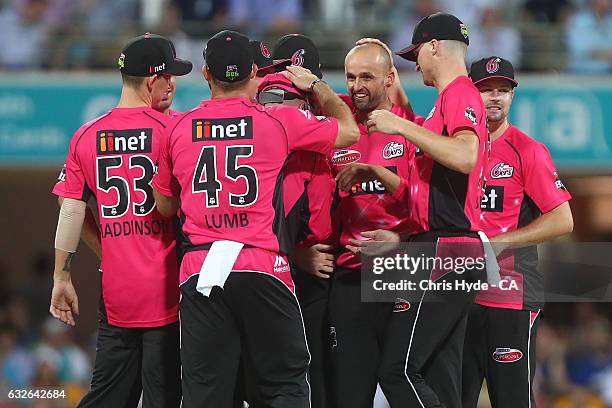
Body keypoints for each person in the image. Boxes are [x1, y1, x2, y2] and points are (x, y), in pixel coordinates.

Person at [152, 30, 359, 408]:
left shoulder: (178, 128)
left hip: (200, 268)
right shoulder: (277, 120)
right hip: (261, 263)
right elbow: (348, 130)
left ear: (205, 74)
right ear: (253, 72)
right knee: (284, 386)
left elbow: (164, 205)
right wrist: (317, 86)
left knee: (204, 393)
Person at [50, 33, 192, 408]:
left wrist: (62, 277)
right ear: (151, 81)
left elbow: (71, 211)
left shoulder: (86, 136)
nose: (173, 84)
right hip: (170, 296)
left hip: (118, 298)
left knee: (108, 399)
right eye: (169, 76)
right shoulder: (175, 129)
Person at [357, 13, 490, 408]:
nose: (415, 64)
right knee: (438, 375)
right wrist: (402, 236)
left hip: (447, 250)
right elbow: (433, 186)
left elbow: (466, 156)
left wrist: (401, 128)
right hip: (447, 246)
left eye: (417, 53)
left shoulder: (461, 93)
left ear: (434, 46)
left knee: (396, 370)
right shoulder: (444, 102)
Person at [462, 56, 573, 408]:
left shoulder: (528, 150)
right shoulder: (455, 149)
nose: (495, 97)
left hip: (510, 295)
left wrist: (503, 241)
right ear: (469, 94)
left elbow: (562, 219)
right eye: (486, 90)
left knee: (512, 399)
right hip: (458, 295)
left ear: (512, 96)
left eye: (503, 90)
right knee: (454, 398)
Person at [327, 41, 417, 408]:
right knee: (349, 392)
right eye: (350, 77)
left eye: (367, 76)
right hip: (348, 277)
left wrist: (399, 237)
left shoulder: (414, 131)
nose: (357, 85)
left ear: (390, 78)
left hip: (403, 273)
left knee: (403, 383)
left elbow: (431, 207)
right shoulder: (336, 131)